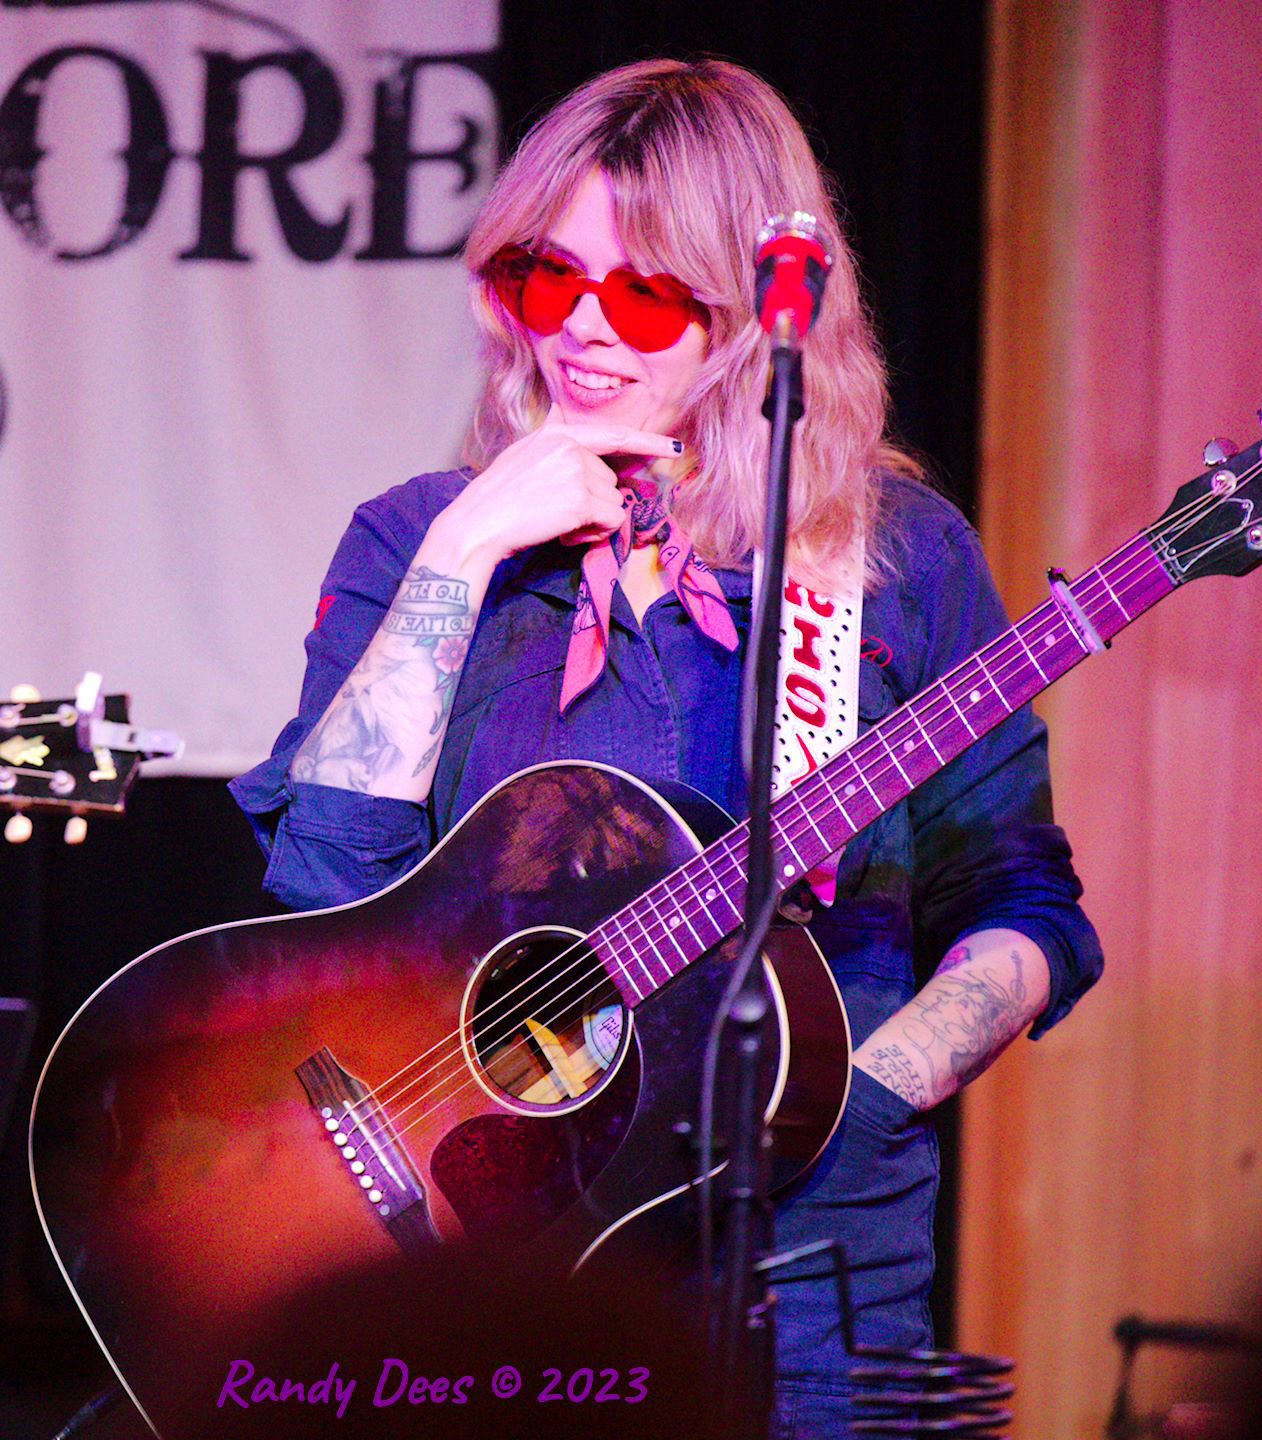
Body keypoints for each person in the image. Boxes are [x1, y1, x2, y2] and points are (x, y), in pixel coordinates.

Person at [230, 57, 1103, 1439]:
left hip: (816, 1291)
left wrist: (864, 1094)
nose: (580, 330)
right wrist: (468, 547)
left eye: (641, 294)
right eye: (542, 277)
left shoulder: (893, 563)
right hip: (499, 1290)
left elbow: (1024, 911)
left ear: (761, 322)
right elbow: (325, 893)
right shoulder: (417, 539)